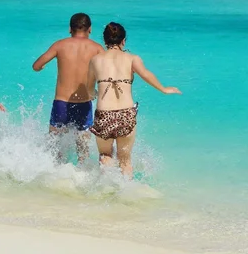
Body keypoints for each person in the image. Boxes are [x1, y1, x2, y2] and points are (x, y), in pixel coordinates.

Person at [87, 22, 181, 178]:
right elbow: (146, 74)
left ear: (105, 41)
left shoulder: (95, 60)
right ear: (123, 41)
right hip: (126, 114)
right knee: (125, 160)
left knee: (105, 155)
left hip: (104, 114)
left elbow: (89, 87)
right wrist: (164, 89)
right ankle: (126, 192)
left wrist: (93, 94)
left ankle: (106, 187)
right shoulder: (132, 58)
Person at [32, 13, 105, 164]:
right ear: (89, 29)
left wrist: (42, 66)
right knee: (83, 148)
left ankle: (54, 173)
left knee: (55, 144)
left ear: (69, 29)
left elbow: (36, 66)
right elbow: (107, 74)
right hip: (84, 103)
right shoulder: (97, 49)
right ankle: (81, 173)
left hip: (61, 103)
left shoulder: (60, 45)